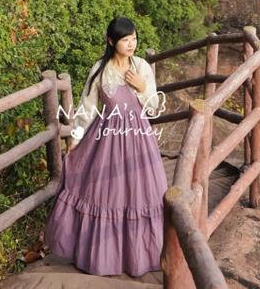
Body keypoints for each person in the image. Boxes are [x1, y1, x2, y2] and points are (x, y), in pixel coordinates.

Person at [43, 15, 168, 277]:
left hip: (138, 138)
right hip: (107, 139)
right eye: (125, 39)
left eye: (134, 38)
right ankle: (104, 257)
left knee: (141, 193)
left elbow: (154, 107)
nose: (131, 44)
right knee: (105, 193)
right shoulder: (100, 69)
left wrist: (142, 87)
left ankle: (139, 256)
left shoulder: (142, 66)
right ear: (111, 41)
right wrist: (75, 137)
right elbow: (88, 108)